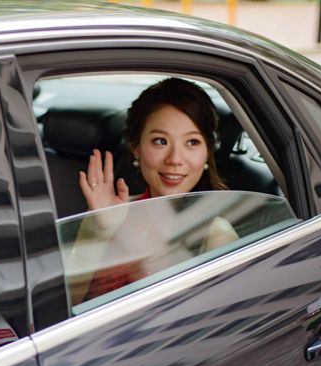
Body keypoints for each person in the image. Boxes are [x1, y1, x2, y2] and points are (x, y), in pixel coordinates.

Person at [71, 78, 233, 303]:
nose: (175, 159)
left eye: (192, 142)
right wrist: (98, 230)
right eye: (160, 141)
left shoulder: (215, 232)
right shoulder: (111, 212)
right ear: (136, 148)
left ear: (207, 152)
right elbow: (66, 307)